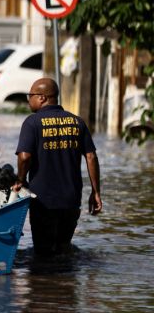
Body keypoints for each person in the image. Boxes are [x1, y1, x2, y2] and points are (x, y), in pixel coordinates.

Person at [13, 77, 102, 256]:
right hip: (71, 199)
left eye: (30, 95)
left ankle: (46, 283)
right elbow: (91, 156)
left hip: (42, 201)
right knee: (63, 249)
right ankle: (67, 282)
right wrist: (96, 192)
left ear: (42, 98)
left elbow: (24, 157)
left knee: (43, 253)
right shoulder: (77, 122)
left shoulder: (32, 122)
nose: (28, 99)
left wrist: (20, 180)